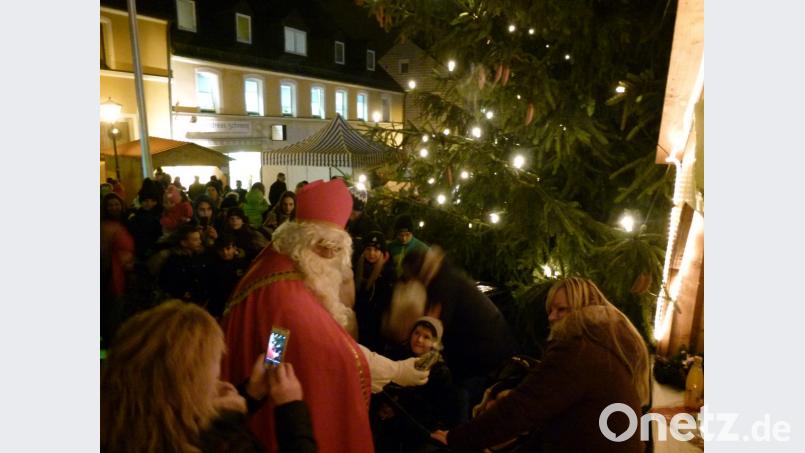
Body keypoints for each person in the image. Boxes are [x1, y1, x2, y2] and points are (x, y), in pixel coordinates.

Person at [220, 178, 429, 453]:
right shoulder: (288, 296)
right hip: (271, 407)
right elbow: (332, 352)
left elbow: (276, 336)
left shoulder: (278, 261)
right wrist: (396, 370)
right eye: (325, 248)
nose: (331, 256)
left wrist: (273, 359)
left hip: (261, 387)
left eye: (337, 249)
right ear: (303, 240)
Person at [432, 277, 650, 453]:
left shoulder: (579, 349)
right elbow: (550, 422)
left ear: (583, 308)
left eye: (561, 309)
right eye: (550, 310)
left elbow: (522, 407)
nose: (552, 317)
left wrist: (458, 438)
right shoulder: (601, 343)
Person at [101, 300, 317, 453]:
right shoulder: (222, 445)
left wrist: (250, 394)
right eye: (212, 367)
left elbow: (185, 423)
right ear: (188, 384)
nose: (219, 379)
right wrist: (290, 407)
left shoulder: (125, 422)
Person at [386, 247, 518, 421]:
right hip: (486, 346)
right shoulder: (444, 275)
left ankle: (460, 436)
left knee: (462, 394)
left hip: (481, 353)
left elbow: (433, 330)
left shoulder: (442, 285)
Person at [374, 317, 460, 452]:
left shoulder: (439, 371)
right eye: (417, 333)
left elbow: (433, 408)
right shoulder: (398, 354)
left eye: (426, 337)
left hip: (416, 426)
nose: (419, 340)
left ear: (434, 343)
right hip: (387, 415)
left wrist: (396, 408)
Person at [101, 192, 135, 344]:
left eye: (116, 204)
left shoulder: (126, 223)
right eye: (110, 205)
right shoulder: (106, 227)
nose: (114, 208)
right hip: (112, 275)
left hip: (123, 274)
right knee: (111, 315)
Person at [353, 231, 395, 352]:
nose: (372, 253)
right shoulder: (357, 267)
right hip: (357, 320)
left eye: (376, 250)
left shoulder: (388, 273)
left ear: (382, 252)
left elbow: (387, 303)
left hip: (375, 327)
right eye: (368, 249)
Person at [158, 225, 213, 308]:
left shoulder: (200, 255)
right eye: (195, 240)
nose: (200, 242)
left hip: (200, 301)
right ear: (184, 243)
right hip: (183, 305)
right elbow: (166, 282)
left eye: (199, 238)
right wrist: (182, 293)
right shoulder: (174, 261)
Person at [126, 183, 163, 260]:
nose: (149, 204)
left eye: (152, 201)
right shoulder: (135, 218)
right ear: (141, 201)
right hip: (143, 253)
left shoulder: (159, 214)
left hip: (154, 251)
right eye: (146, 201)